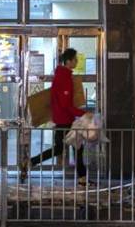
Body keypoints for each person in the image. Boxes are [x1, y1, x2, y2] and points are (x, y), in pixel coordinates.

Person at [21, 48, 92, 186]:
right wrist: (83, 113)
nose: (77, 62)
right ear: (68, 61)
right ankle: (82, 179)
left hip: (63, 120)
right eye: (75, 60)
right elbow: (66, 104)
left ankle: (30, 163)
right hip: (65, 120)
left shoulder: (62, 75)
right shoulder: (63, 78)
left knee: (66, 148)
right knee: (74, 148)